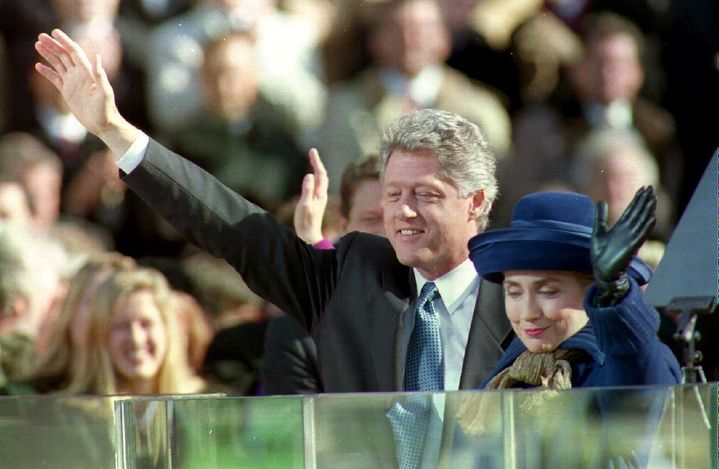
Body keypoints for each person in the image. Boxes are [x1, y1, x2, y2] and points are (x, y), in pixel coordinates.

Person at [34, 29, 512, 395]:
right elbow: (229, 225)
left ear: (474, 202)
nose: (403, 212)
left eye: (424, 195)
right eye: (392, 195)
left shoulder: (519, 299)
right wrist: (115, 132)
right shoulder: (350, 276)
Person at [454, 186, 681, 468]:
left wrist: (616, 294)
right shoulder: (506, 374)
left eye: (548, 292)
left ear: (592, 290)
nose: (527, 313)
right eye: (514, 292)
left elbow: (638, 398)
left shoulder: (617, 365)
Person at [55, 266, 205, 394]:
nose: (136, 338)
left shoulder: (204, 408)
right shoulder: (69, 416)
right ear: (100, 333)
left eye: (146, 323)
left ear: (167, 329)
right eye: (121, 326)